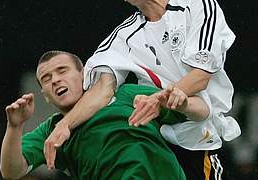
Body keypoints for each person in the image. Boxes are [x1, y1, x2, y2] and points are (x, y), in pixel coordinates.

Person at [44, 0, 241, 179]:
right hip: (156, 143)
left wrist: (160, 98)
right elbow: (102, 88)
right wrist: (64, 125)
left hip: (198, 140)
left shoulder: (198, 5)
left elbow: (201, 76)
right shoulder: (123, 36)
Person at [0, 50, 210, 179]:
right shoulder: (52, 130)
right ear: (45, 95)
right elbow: (12, 171)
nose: (55, 80)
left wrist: (180, 103)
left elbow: (202, 111)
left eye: (62, 71)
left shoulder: (126, 95)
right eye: (46, 79)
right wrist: (14, 127)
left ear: (84, 74)